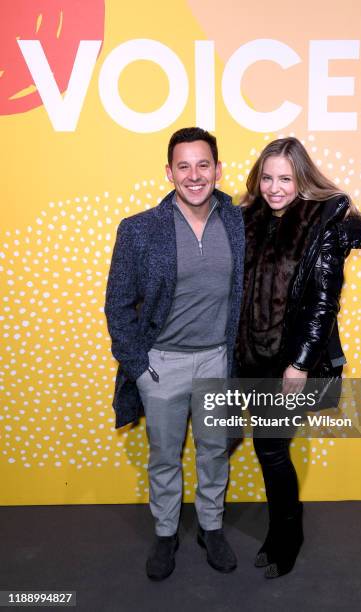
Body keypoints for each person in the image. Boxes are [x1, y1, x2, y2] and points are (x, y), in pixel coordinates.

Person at [105, 127, 244, 581]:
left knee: (214, 452)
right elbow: (118, 305)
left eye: (203, 164)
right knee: (164, 455)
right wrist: (139, 368)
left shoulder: (242, 224)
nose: (194, 175)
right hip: (161, 364)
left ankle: (211, 527)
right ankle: (166, 532)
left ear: (218, 169)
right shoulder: (139, 229)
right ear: (169, 173)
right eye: (183, 166)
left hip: (218, 360)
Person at [235, 137, 361, 579]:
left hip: (290, 362)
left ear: (301, 180)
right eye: (268, 177)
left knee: (270, 449)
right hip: (251, 357)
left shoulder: (322, 224)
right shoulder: (247, 220)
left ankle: (287, 536)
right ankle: (282, 532)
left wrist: (300, 363)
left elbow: (323, 303)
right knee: (266, 448)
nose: (275, 187)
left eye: (285, 179)